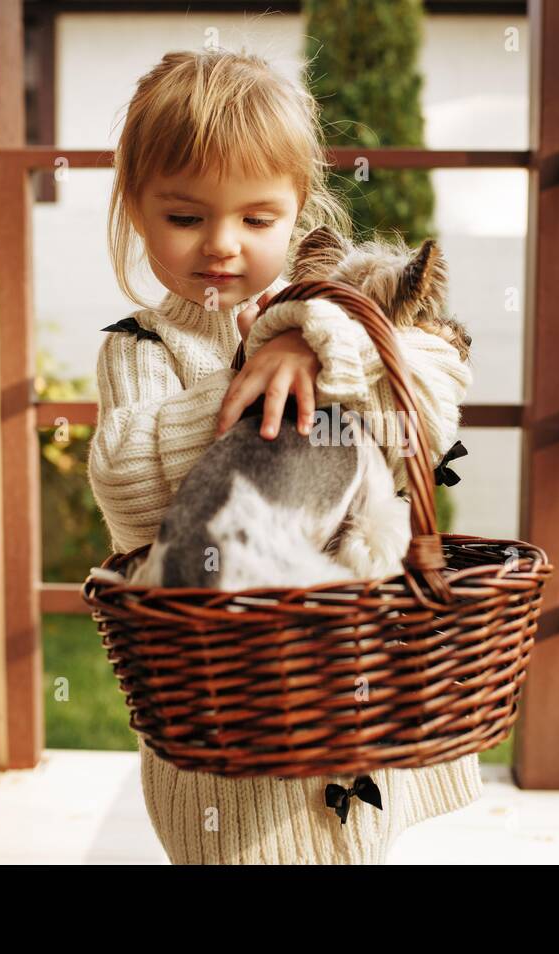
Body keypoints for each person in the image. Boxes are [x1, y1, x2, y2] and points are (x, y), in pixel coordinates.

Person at [89, 46, 480, 864]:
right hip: (228, 704)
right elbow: (127, 477)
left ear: (298, 210)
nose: (221, 246)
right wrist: (250, 368)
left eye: (257, 219)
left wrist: (310, 340)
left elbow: (433, 393)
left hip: (352, 680)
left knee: (353, 844)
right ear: (134, 208)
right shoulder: (141, 348)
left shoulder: (334, 308)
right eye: (186, 217)